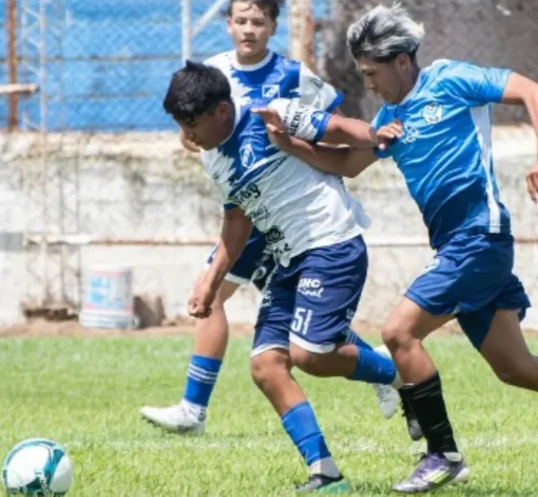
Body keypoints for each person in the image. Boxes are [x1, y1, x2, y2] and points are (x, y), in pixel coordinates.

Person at [253, 2, 538, 494]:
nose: (368, 83)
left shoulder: (450, 80)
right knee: (516, 369)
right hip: (457, 248)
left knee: (399, 332)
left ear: (402, 61)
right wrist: (288, 144)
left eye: (372, 72)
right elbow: (347, 164)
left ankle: (442, 454)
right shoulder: (388, 118)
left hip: (480, 238)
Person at [139, 0, 402, 437]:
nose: (248, 29)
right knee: (241, 307)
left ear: (273, 27)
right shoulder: (213, 72)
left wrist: (336, 161)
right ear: (228, 24)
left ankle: (380, 370)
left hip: (289, 216)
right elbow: (195, 135)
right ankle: (194, 408)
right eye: (240, 20)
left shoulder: (292, 76)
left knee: (293, 331)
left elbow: (329, 123)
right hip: (249, 208)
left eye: (257, 22)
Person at [160, 59, 417, 492]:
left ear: (221, 111)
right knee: (266, 366)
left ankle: (397, 376)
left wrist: (375, 135)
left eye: (192, 122)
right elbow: (237, 219)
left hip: (330, 242)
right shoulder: (213, 159)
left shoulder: (271, 114)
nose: (187, 133)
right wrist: (210, 278)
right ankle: (325, 472)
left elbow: (336, 127)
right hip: (289, 258)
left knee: (310, 355)